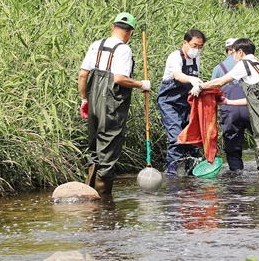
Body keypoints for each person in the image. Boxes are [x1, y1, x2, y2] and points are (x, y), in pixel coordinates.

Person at [190, 38, 259, 184]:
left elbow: (221, 82)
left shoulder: (245, 63)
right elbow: (255, 99)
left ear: (240, 52)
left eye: (235, 54)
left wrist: (201, 86)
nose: (234, 58)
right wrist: (228, 102)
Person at [78, 12, 151, 196]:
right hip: (112, 106)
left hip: (93, 101)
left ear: (112, 27)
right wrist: (141, 84)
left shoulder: (96, 45)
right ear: (131, 32)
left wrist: (85, 100)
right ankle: (103, 204)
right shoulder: (124, 50)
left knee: (94, 150)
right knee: (108, 152)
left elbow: (82, 75)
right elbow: (119, 79)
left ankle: (89, 198)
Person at [157, 29, 206, 176]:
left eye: (200, 47)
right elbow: (178, 75)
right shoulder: (174, 57)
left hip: (187, 102)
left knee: (192, 136)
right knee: (176, 136)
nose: (196, 50)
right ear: (185, 43)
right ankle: (172, 172)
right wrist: (191, 79)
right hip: (169, 102)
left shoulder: (196, 59)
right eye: (194, 45)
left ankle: (191, 172)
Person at [211, 38, 253, 171]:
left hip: (229, 112)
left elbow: (213, 93)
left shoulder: (218, 68)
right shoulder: (252, 64)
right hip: (250, 109)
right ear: (239, 51)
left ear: (227, 52)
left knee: (233, 148)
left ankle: (237, 177)